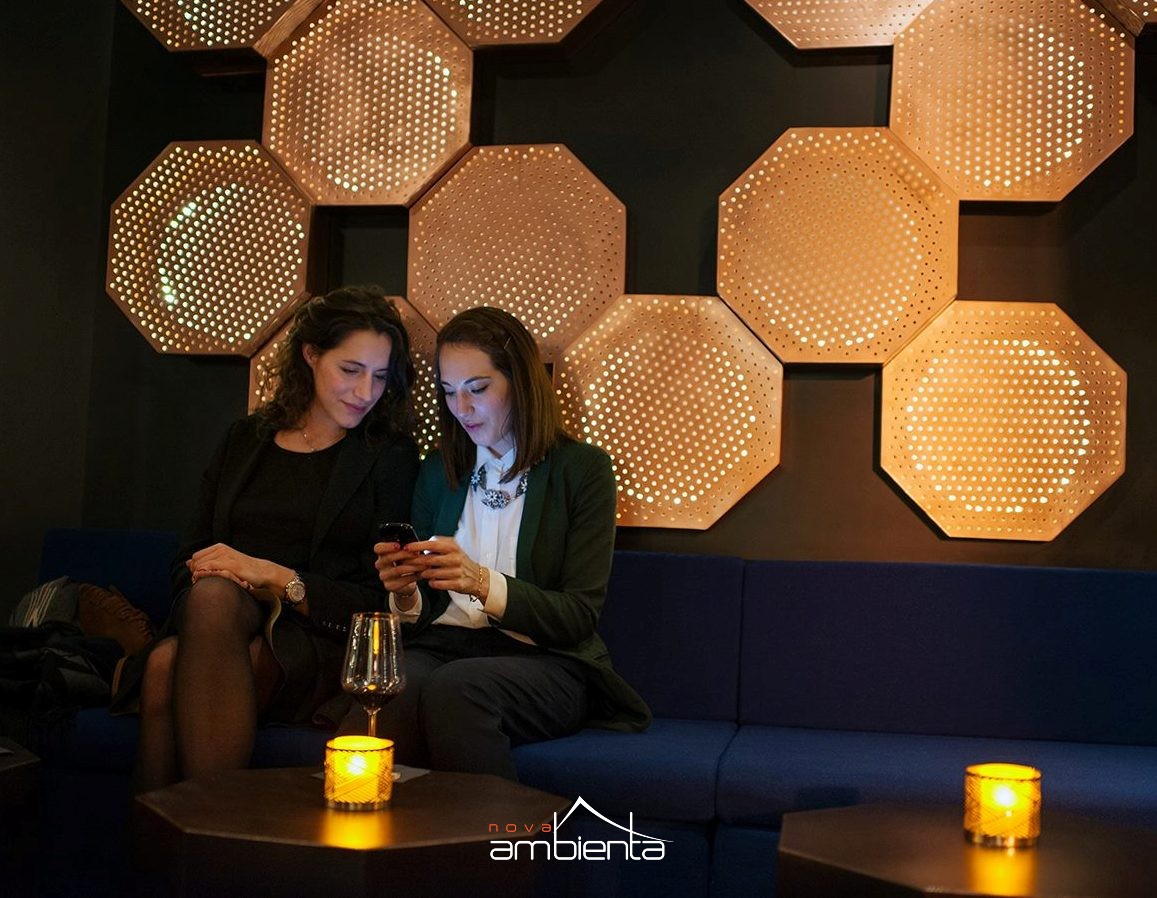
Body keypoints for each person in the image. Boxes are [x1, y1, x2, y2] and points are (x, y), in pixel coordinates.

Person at [131, 286, 420, 792]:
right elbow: (188, 559)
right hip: (218, 624)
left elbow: (380, 601)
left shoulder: (388, 456)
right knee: (203, 610)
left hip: (318, 639)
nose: (365, 392)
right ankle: (214, 826)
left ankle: (191, 830)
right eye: (351, 370)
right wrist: (230, 577)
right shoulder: (246, 440)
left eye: (379, 376)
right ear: (311, 354)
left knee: (164, 666)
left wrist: (277, 578)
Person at [358, 306, 650, 780]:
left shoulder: (582, 470)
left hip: (546, 659)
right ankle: (372, 826)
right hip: (444, 646)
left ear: (519, 382)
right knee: (389, 687)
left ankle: (501, 831)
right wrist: (405, 592)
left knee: (457, 689)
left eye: (477, 389)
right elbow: (423, 612)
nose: (461, 408)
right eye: (449, 392)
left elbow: (578, 616)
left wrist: (480, 582)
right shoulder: (438, 470)